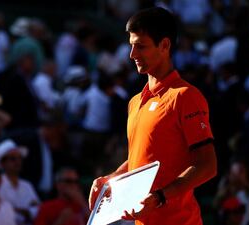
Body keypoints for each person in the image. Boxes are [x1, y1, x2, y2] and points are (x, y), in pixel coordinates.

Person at [88, 7, 217, 225]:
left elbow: (207, 165)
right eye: (131, 46)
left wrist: (159, 197)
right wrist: (111, 180)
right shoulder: (135, 102)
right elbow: (141, 160)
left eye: (141, 46)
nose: (132, 54)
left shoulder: (185, 96)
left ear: (164, 45)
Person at [0, 139, 40, 225]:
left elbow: (38, 208)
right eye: (13, 159)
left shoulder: (27, 185)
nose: (18, 162)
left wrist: (21, 211)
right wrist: (27, 211)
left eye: (19, 158)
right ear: (2, 163)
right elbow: (1, 212)